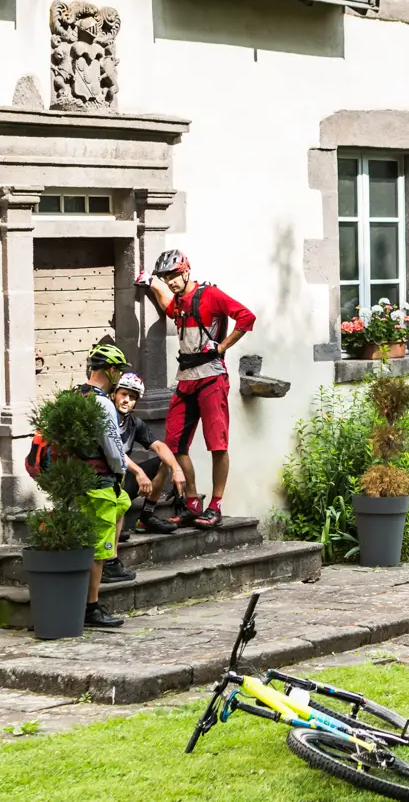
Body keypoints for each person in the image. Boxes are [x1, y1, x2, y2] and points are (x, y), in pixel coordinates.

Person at [140, 249, 255, 529]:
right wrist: (152, 283)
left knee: (217, 444)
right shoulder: (177, 301)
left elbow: (246, 317)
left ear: (187, 270)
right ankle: (192, 502)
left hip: (211, 378)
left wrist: (222, 346)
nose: (172, 282)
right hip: (186, 379)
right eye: (167, 278)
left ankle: (215, 506)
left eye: (174, 276)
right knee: (175, 444)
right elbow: (167, 303)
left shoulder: (210, 295)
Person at [76, 342, 136, 627]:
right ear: (111, 370)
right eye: (119, 372)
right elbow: (113, 446)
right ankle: (91, 609)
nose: (119, 377)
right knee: (97, 550)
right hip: (100, 483)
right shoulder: (102, 402)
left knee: (123, 502)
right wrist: (121, 468)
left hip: (78, 481)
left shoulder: (75, 396)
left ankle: (111, 562)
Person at [108, 372, 195, 536]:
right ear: (114, 394)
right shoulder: (106, 418)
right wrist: (139, 472)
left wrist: (176, 469)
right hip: (104, 482)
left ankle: (146, 517)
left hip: (122, 481)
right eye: (124, 394)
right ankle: (112, 528)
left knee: (163, 462)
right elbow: (115, 451)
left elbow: (160, 446)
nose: (127, 400)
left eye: (132, 397)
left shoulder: (134, 423)